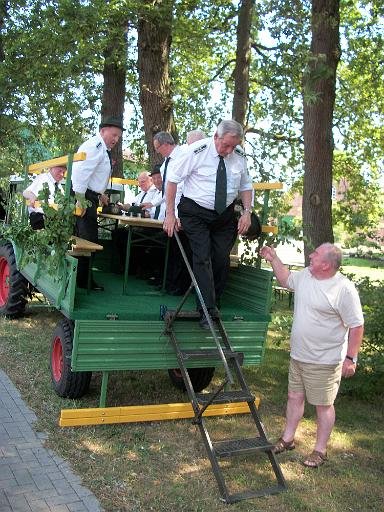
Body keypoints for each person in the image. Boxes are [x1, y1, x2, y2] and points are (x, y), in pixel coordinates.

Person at [260, 243, 364, 468]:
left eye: (315, 254)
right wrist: (273, 259)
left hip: (325, 361)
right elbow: (286, 280)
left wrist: (351, 358)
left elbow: (356, 325)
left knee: (323, 405)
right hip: (299, 355)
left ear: (326, 264)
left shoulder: (343, 289)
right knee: (294, 397)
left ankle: (320, 450)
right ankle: (287, 440)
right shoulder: (306, 275)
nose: (310, 255)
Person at [163, 119, 253, 327]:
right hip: (194, 211)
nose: (229, 150)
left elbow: (246, 185)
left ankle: (213, 301)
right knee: (202, 256)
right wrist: (170, 213)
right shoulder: (195, 152)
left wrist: (247, 212)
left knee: (221, 258)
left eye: (234, 146)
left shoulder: (239, 155)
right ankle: (206, 309)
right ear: (216, 136)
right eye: (226, 145)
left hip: (224, 215)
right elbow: (173, 181)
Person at [71, 115, 124, 290]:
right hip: (84, 197)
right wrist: (80, 200)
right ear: (103, 131)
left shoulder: (100, 148)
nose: (116, 139)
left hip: (90, 196)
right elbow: (80, 174)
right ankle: (83, 282)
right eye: (114, 135)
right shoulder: (95, 146)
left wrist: (100, 194)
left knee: (87, 239)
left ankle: (81, 279)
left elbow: (93, 176)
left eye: (118, 137)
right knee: (88, 240)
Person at [23, 165, 66, 230]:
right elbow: (25, 193)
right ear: (51, 168)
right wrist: (32, 196)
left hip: (52, 219)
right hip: (39, 219)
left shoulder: (58, 185)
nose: (61, 174)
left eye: (64, 172)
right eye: (59, 170)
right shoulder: (43, 178)